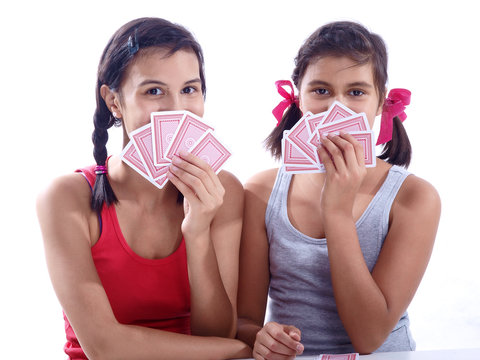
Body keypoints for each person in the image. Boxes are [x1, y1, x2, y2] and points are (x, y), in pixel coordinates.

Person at [37, 17, 251, 360]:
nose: (176, 109)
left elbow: (215, 333)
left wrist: (197, 232)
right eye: (154, 91)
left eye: (189, 89)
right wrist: (240, 349)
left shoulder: (223, 190)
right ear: (114, 101)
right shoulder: (66, 198)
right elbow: (105, 348)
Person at [237, 21, 441, 359]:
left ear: (380, 103)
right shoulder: (260, 192)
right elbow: (245, 321)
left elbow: (369, 338)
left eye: (357, 92)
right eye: (321, 90)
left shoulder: (414, 198)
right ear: (298, 98)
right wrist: (263, 337)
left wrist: (337, 211)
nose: (337, 109)